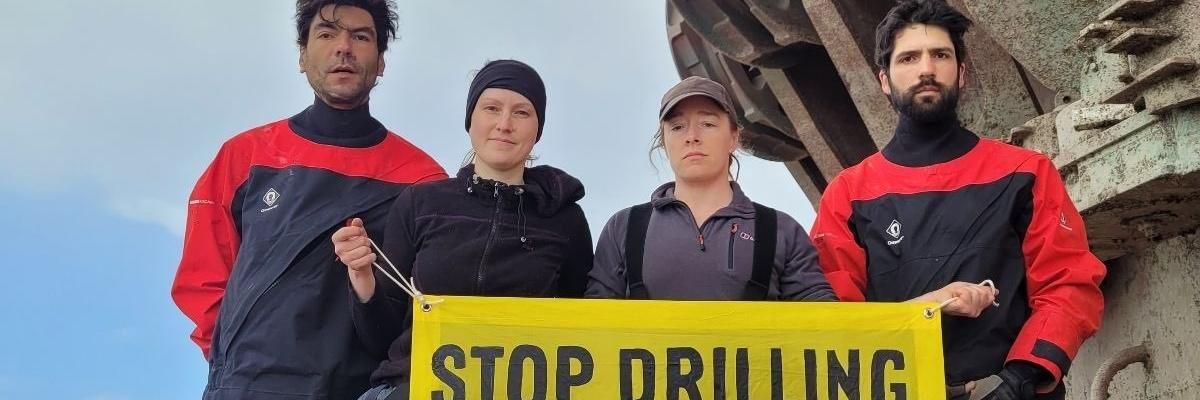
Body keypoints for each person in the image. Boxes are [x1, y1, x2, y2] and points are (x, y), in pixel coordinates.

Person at [809, 1, 1106, 399]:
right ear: (884, 79)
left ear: (962, 73)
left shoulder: (1026, 173)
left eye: (940, 55)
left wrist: (1020, 379)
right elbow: (833, 315)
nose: (926, 69)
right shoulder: (848, 194)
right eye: (909, 58)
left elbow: (1068, 284)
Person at [171, 1, 447, 398]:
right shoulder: (243, 158)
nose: (344, 48)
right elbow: (201, 280)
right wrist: (235, 365)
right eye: (327, 34)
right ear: (302, 56)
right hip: (247, 386)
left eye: (361, 36)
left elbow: (427, 308)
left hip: (364, 390)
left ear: (381, 61)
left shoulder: (423, 181)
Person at [332, 59, 594, 400]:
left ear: (537, 129)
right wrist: (362, 276)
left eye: (521, 112)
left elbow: (585, 331)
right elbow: (380, 337)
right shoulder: (419, 203)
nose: (504, 124)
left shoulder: (565, 219)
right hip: (411, 387)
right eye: (491, 108)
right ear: (471, 119)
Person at [586, 76, 834, 302]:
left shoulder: (782, 231)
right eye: (677, 127)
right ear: (664, 142)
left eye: (707, 123)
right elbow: (592, 327)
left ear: (734, 138)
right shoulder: (624, 228)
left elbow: (826, 327)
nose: (692, 136)